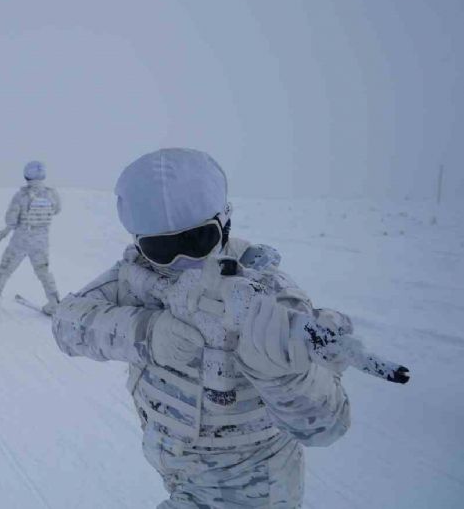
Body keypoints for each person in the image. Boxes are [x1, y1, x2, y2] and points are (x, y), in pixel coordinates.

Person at [51, 148, 350, 508]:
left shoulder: (270, 295)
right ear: (139, 244)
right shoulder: (138, 277)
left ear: (225, 223)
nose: (181, 262)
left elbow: (326, 427)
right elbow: (66, 324)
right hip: (179, 474)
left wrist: (284, 374)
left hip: (251, 490)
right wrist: (147, 333)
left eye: (196, 241)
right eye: (162, 248)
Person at [0, 161, 61, 314]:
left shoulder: (21, 195)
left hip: (21, 240)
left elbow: (11, 220)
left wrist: (10, 226)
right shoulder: (52, 194)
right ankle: (55, 303)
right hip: (41, 241)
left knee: (5, 269)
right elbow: (57, 210)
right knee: (44, 272)